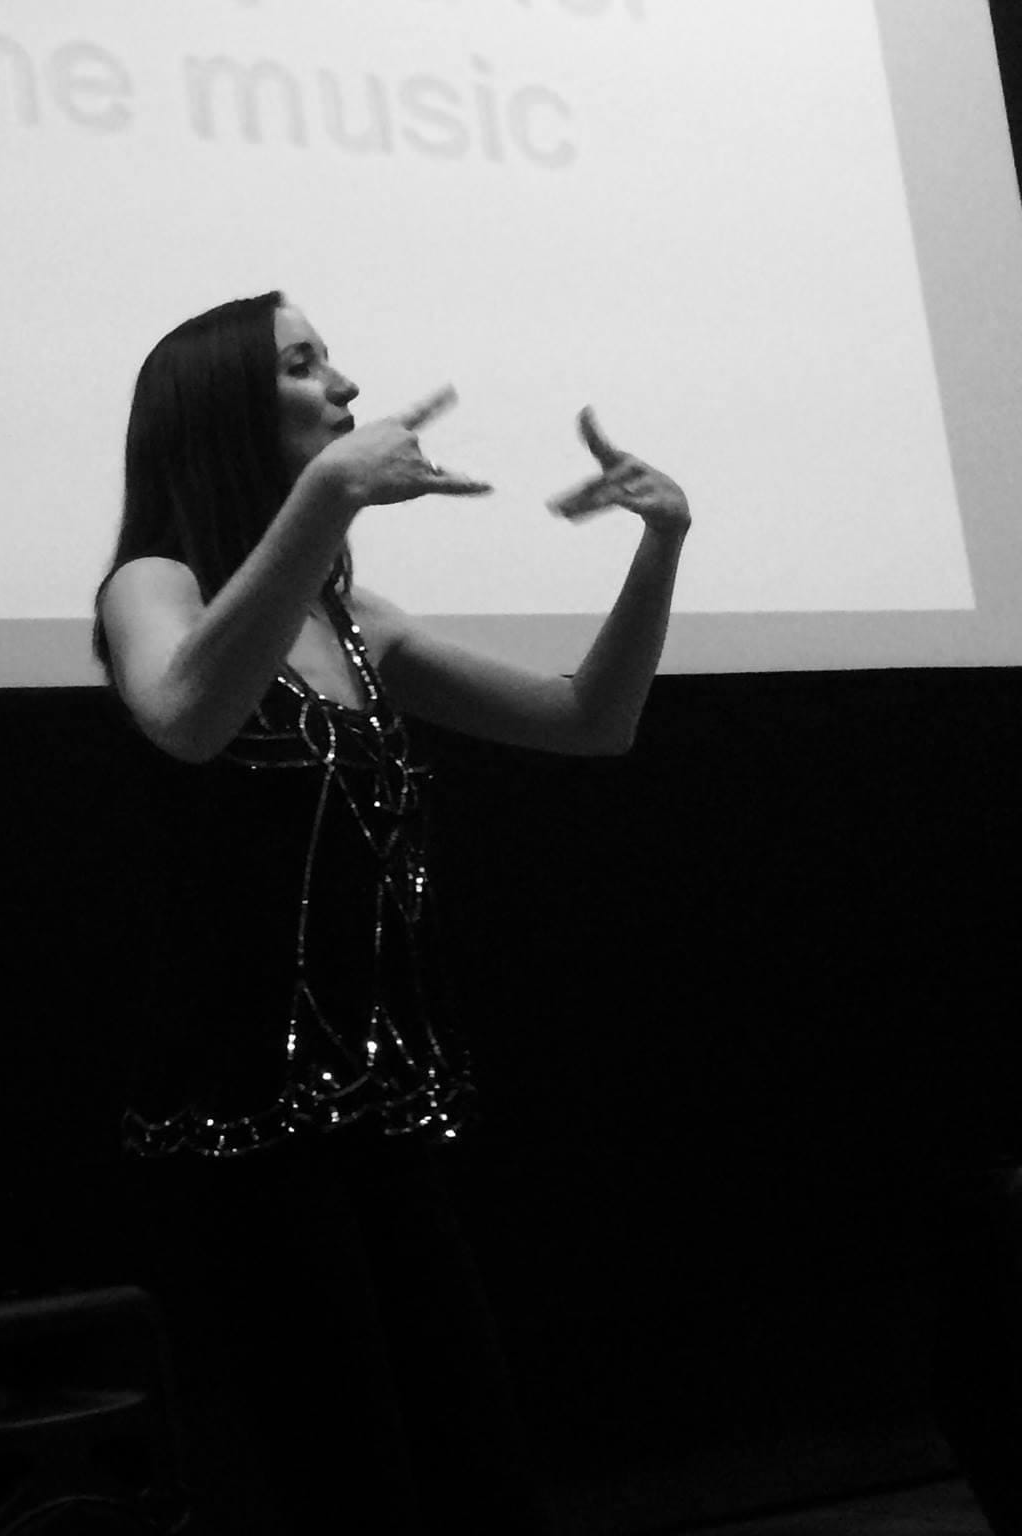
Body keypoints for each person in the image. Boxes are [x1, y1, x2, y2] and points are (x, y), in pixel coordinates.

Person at [94, 291, 689, 1535]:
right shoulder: (155, 582)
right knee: (335, 1458)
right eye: (305, 365)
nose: (346, 385)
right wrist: (327, 501)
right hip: (240, 1117)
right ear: (220, 413)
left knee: (466, 1441)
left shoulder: (350, 622)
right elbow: (189, 716)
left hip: (381, 1100)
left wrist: (659, 547)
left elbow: (590, 719)